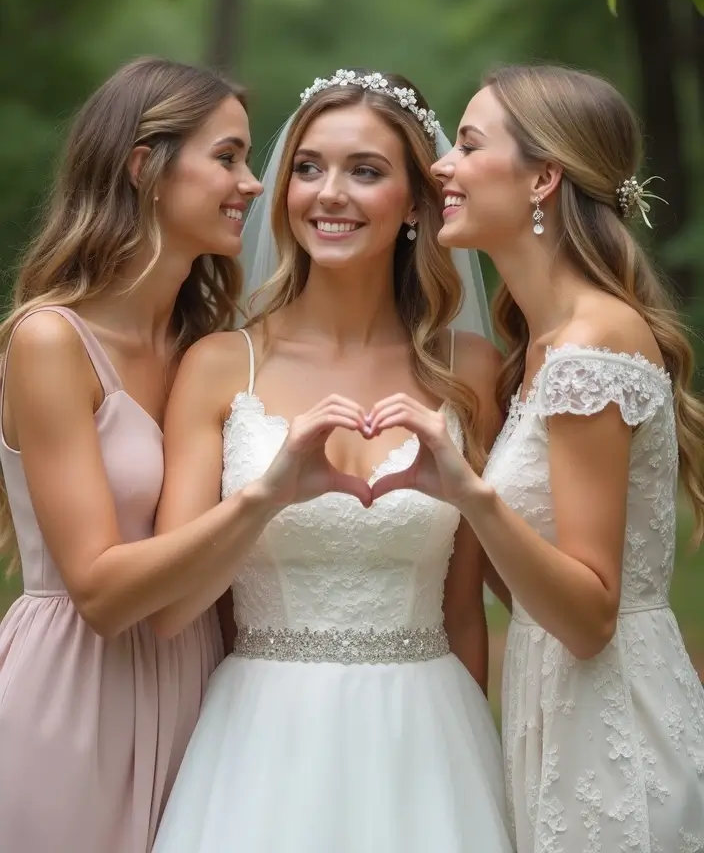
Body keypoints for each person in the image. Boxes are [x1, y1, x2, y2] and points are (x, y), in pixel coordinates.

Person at [150, 69, 515, 852]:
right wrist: (269, 494)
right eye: (308, 168)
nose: (329, 194)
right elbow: (173, 608)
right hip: (260, 743)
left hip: (429, 740)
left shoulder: (472, 370)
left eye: (367, 171)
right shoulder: (220, 365)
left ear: (419, 202)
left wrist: (469, 774)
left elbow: (463, 613)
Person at [419, 63, 704, 850]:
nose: (441, 164)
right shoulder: (542, 348)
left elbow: (589, 616)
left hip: (615, 725)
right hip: (559, 713)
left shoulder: (589, 348)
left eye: (469, 144)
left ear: (543, 178)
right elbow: (540, 594)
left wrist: (470, 492)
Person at [0, 56, 263, 852]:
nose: (250, 183)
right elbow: (104, 595)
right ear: (145, 167)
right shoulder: (50, 341)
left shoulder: (210, 352)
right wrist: (267, 495)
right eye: (227, 157)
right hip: (74, 697)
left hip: (200, 696)